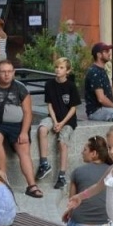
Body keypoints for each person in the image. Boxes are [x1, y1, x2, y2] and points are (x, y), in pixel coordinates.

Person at [0, 59, 43, 196]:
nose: (6, 75)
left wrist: (24, 132)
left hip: (17, 125)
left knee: (24, 149)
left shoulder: (21, 88)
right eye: (3, 72)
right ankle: (3, 179)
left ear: (14, 73)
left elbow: (28, 112)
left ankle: (32, 185)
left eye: (9, 72)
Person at [36, 56, 80, 189]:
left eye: (61, 68)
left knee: (62, 142)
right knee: (42, 128)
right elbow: (49, 105)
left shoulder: (71, 86)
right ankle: (44, 164)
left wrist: (62, 123)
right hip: (54, 117)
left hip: (68, 120)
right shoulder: (49, 84)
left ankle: (62, 175)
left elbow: (73, 108)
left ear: (68, 71)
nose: (58, 70)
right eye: (57, 67)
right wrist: (55, 121)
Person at [64, 135, 113, 226]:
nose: (82, 152)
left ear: (94, 153)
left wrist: (68, 213)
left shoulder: (77, 171)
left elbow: (72, 202)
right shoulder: (112, 171)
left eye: (85, 150)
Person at [83, 42, 113, 122]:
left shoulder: (100, 70)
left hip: (104, 110)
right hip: (96, 111)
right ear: (99, 55)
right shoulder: (94, 72)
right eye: (106, 51)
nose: (109, 53)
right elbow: (101, 99)